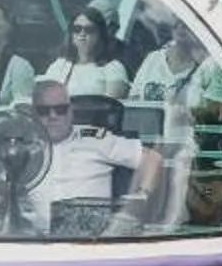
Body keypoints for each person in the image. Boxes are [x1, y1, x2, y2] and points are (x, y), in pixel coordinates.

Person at [20, 78, 163, 232]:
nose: (53, 116)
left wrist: (137, 202)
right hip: (37, 239)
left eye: (60, 109)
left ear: (70, 112)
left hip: (93, 238)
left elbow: (152, 159)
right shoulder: (21, 150)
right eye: (44, 111)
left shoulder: (96, 139)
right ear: (33, 114)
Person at [127, 23, 222, 121]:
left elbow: (221, 111)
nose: (181, 26)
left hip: (187, 138)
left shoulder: (212, 67)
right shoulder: (154, 58)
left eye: (188, 23)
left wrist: (185, 112)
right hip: (148, 134)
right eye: (178, 21)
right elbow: (133, 99)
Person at [42, 5, 132, 100]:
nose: (82, 34)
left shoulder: (114, 69)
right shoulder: (58, 66)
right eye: (77, 29)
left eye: (89, 29)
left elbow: (112, 107)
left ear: (100, 35)